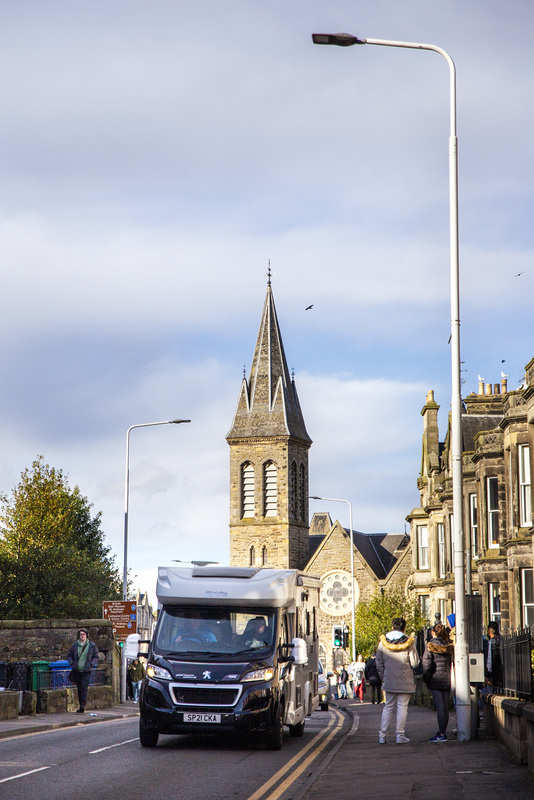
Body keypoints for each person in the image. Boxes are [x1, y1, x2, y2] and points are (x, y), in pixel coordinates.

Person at [376, 617, 420, 744]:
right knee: (402, 707)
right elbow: (415, 662)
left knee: (388, 707)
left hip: (389, 679)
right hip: (405, 680)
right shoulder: (409, 642)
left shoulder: (383, 643)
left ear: (392, 627)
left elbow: (378, 662)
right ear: (404, 628)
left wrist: (383, 676)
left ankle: (382, 735)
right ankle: (400, 735)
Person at [422, 622, 454, 742]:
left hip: (435, 679)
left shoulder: (430, 645)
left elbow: (426, 664)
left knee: (440, 707)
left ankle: (441, 734)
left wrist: (427, 678)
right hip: (446, 678)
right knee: (445, 707)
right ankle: (443, 731)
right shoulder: (449, 646)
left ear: (433, 633)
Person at [67, 628, 99, 713]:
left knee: (84, 687)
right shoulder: (75, 645)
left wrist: (91, 664)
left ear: (86, 635)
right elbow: (69, 655)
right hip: (77, 670)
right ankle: (81, 704)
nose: (82, 636)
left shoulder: (92, 645)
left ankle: (82, 706)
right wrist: (72, 663)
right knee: (79, 688)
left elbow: (96, 657)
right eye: (81, 634)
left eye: (83, 634)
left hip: (86, 671)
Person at [484, 620, 502, 691]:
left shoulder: (491, 642)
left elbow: (490, 658)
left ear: (489, 632)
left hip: (494, 673)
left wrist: (488, 674)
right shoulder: (502, 640)